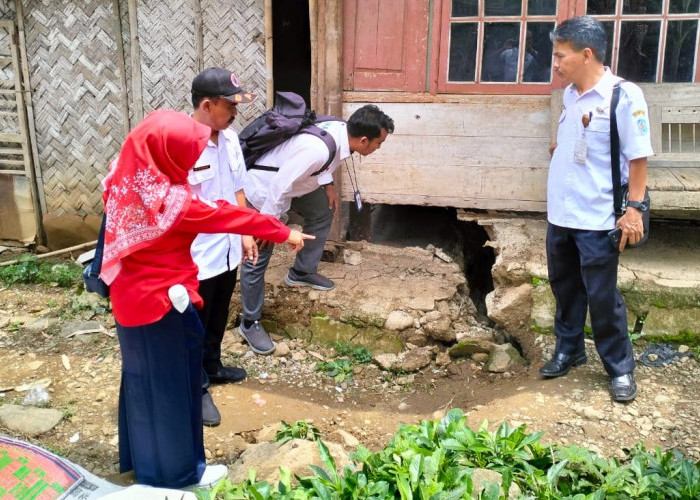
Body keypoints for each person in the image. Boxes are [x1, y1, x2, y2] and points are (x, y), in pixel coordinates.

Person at [100, 110, 311, 488]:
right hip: (164, 307)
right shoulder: (171, 204)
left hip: (129, 304)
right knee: (174, 390)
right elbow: (230, 216)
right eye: (188, 151)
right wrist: (285, 233)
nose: (195, 159)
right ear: (167, 153)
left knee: (141, 382)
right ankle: (180, 476)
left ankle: (143, 464)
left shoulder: (125, 181)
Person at [542, 16, 653, 402]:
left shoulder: (623, 95)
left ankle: (620, 368)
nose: (555, 63)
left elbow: (637, 159)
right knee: (565, 289)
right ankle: (569, 350)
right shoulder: (571, 95)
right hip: (562, 214)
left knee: (602, 297)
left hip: (599, 217)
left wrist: (634, 210)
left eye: (561, 55)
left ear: (586, 54)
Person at [239, 105, 395, 354]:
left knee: (323, 211)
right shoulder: (316, 150)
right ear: (364, 140)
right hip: (263, 190)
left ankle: (301, 272)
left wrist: (328, 184)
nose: (378, 148)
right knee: (258, 253)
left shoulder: (341, 133)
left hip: (296, 183)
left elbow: (322, 165)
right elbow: (279, 186)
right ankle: (250, 321)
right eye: (379, 143)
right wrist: (268, 225)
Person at [188, 67, 258, 427]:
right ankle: (195, 387)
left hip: (228, 249)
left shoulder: (229, 139)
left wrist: (245, 232)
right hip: (196, 257)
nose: (235, 112)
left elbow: (239, 188)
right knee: (193, 326)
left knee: (217, 316)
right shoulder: (182, 145)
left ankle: (212, 367)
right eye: (229, 105)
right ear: (206, 105)